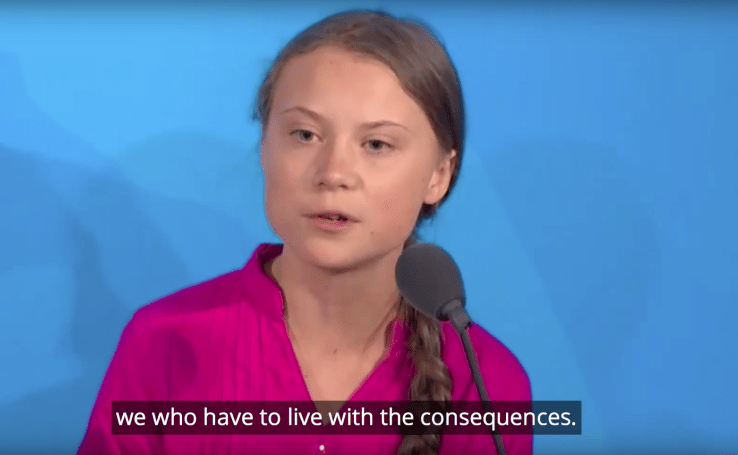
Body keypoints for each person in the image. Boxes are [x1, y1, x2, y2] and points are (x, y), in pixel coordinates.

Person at [77, 9, 532, 455]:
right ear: (264, 148)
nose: (333, 173)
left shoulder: (487, 384)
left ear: (439, 174)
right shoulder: (163, 341)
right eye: (305, 135)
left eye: (376, 144)